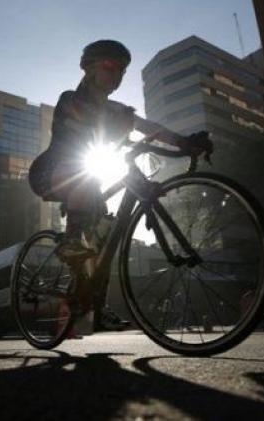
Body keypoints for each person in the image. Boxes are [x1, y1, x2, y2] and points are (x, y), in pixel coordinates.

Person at [28, 40, 212, 330]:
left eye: (122, 71)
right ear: (88, 69)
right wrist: (119, 124)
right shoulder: (69, 99)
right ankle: (71, 240)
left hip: (84, 181)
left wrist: (184, 141)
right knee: (87, 174)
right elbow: (82, 125)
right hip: (50, 172)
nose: (117, 76)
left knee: (104, 239)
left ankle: (92, 302)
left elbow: (149, 128)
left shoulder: (117, 110)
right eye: (110, 67)